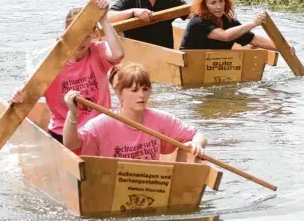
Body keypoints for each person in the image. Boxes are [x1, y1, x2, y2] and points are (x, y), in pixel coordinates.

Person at [11, 0, 124, 144]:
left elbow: (118, 54)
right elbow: (27, 94)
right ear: (66, 34)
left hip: (98, 129)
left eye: (86, 36)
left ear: (93, 35)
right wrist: (17, 96)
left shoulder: (97, 51)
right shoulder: (52, 62)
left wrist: (103, 19)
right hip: (62, 133)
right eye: (76, 36)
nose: (81, 42)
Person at [62, 63, 207, 159]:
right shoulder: (101, 124)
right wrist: (72, 113)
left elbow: (198, 135)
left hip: (151, 185)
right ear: (120, 93)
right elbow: (71, 144)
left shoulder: (161, 119)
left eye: (145, 89)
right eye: (134, 90)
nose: (141, 95)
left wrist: (197, 144)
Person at [179, 0, 295, 54]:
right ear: (205, 5)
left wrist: (283, 47)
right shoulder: (198, 22)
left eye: (221, 1)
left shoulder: (229, 22)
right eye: (213, 3)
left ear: (226, 2)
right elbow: (225, 36)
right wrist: (254, 23)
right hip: (190, 63)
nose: (219, 6)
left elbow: (254, 40)